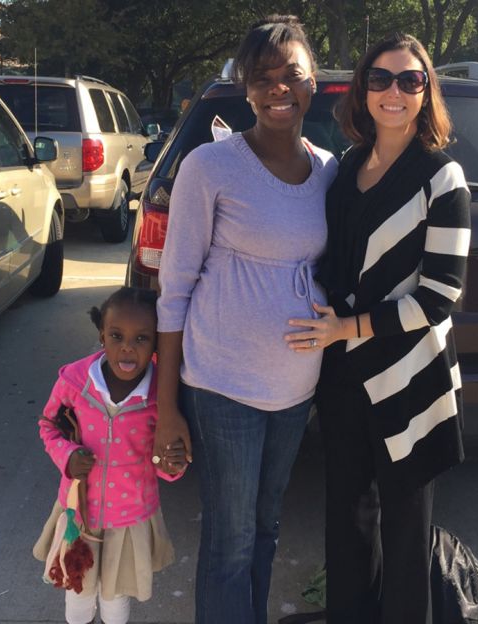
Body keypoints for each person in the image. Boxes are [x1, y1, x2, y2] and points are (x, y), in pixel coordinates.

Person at [152, 15, 339, 624]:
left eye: (292, 75)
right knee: (230, 541)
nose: (279, 89)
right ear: (244, 86)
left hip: (295, 389)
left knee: (266, 527)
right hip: (223, 384)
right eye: (262, 78)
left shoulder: (331, 170)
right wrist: (168, 404)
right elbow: (174, 290)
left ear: (314, 82)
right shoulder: (211, 167)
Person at [285, 32, 472, 623]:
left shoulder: (442, 179)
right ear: (363, 90)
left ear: (426, 92)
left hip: (409, 379)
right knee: (346, 524)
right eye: (380, 78)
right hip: (344, 378)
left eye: (410, 80)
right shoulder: (344, 169)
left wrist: (349, 328)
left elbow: (439, 297)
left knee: (406, 532)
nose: (394, 91)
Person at [34, 287, 187, 624]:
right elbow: (48, 424)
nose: (128, 346)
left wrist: (173, 465)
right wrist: (68, 456)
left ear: (158, 343)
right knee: (78, 594)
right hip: (79, 514)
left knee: (115, 600)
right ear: (102, 336)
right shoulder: (75, 381)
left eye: (142, 338)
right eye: (116, 335)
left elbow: (167, 460)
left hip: (129, 520)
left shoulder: (161, 396)